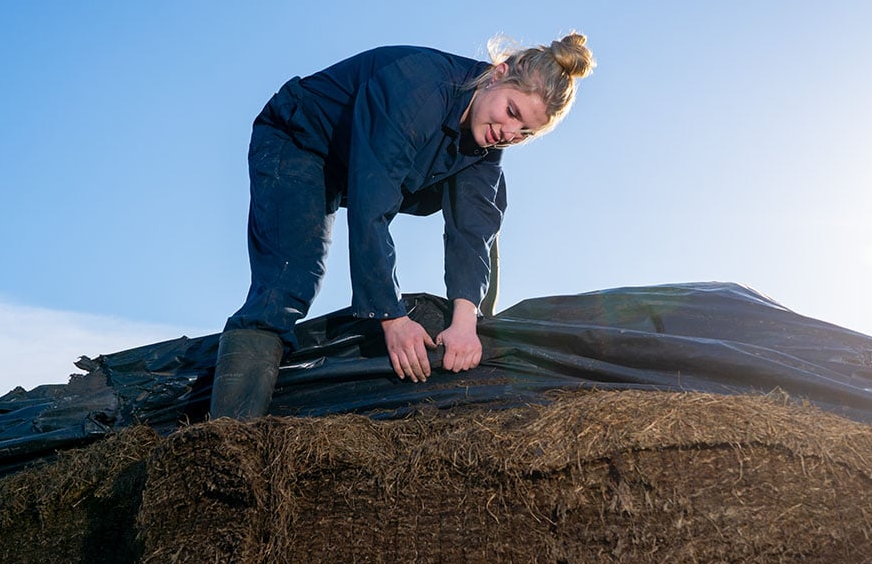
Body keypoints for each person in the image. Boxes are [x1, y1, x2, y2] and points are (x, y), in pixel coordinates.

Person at [211, 33, 595, 419]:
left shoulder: (488, 143)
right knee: (293, 277)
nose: (509, 134)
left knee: (483, 207)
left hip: (370, 165)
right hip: (301, 141)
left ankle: (475, 333)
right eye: (512, 112)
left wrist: (465, 323)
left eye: (525, 133)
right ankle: (229, 433)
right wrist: (392, 318)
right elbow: (371, 206)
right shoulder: (417, 88)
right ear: (498, 74)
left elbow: (473, 232)